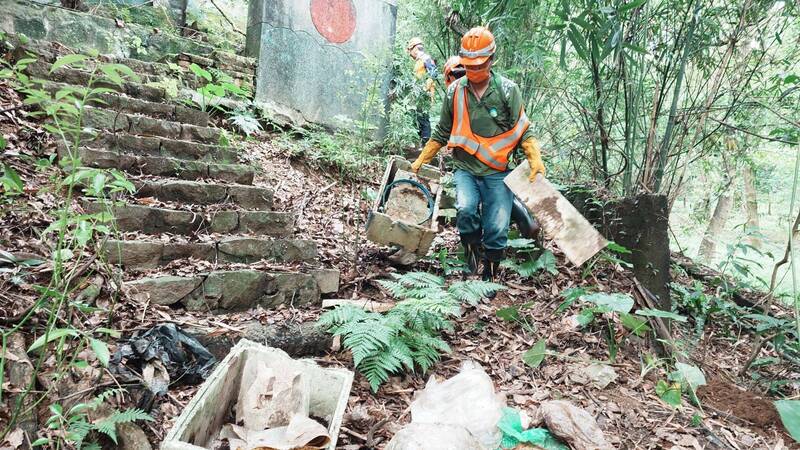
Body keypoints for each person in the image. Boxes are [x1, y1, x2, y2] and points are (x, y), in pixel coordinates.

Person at [410, 27, 546, 285]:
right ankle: (471, 259)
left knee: (496, 227)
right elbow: (442, 131)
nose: (472, 72)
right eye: (468, 66)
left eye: (478, 66)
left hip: (497, 172)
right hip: (466, 168)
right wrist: (422, 158)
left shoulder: (508, 90)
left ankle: (490, 276)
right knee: (466, 210)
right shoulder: (455, 91)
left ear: (491, 60)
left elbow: (523, 131)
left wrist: (534, 158)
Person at [406, 37, 438, 147]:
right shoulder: (419, 61)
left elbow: (433, 73)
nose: (411, 55)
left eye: (411, 52)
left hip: (424, 95)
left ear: (414, 49)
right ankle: (421, 145)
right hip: (418, 95)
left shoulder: (426, 59)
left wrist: (425, 89)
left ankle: (425, 146)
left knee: (424, 120)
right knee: (418, 118)